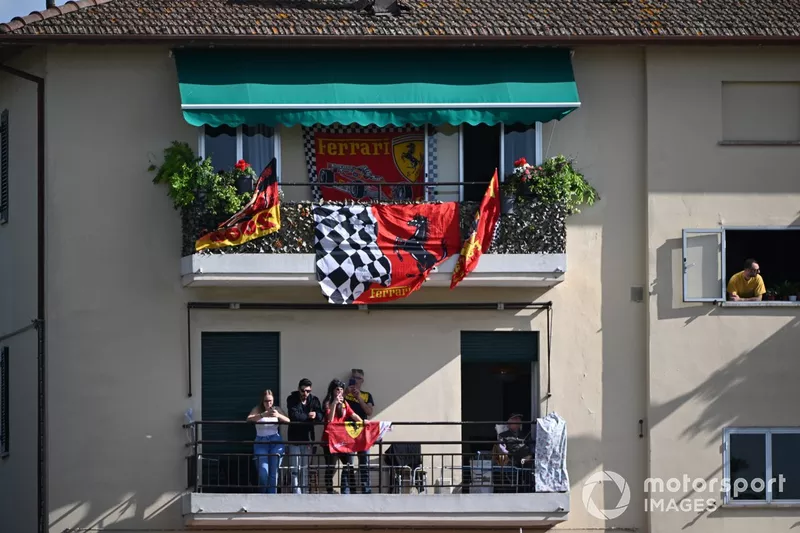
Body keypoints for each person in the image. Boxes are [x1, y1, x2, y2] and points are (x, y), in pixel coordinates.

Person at [322, 379, 362, 494]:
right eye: (337, 389)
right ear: (332, 391)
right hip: (330, 441)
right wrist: (334, 403)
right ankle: (329, 492)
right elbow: (330, 419)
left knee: (349, 465)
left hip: (343, 440)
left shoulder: (344, 403)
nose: (339, 392)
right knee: (331, 467)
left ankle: (352, 491)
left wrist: (363, 422)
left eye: (341, 389)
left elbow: (353, 414)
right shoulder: (328, 402)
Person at [247, 390, 290, 494]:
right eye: (266, 401)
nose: (268, 403)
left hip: (275, 441)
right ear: (262, 401)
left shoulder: (277, 409)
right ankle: (263, 495)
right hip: (261, 442)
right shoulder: (257, 409)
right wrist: (263, 415)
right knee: (263, 473)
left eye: (270, 401)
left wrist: (278, 415)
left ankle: (271, 497)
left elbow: (288, 420)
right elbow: (249, 419)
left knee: (273, 473)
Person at [286, 378, 323, 494]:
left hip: (308, 439)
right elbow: (294, 416)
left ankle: (305, 493)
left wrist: (316, 414)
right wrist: (308, 416)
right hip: (294, 439)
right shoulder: (291, 399)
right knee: (295, 469)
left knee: (305, 469)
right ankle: (296, 494)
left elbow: (321, 417)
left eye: (308, 391)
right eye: (303, 391)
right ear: (299, 389)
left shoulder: (314, 400)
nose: (305, 394)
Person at [345, 368, 375, 494]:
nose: (354, 380)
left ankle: (365, 490)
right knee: (348, 463)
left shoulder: (367, 395)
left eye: (357, 378)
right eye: (352, 378)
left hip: (363, 432)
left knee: (364, 462)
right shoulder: (345, 393)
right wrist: (346, 393)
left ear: (362, 380)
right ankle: (349, 491)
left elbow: (369, 412)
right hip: (348, 431)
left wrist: (359, 398)